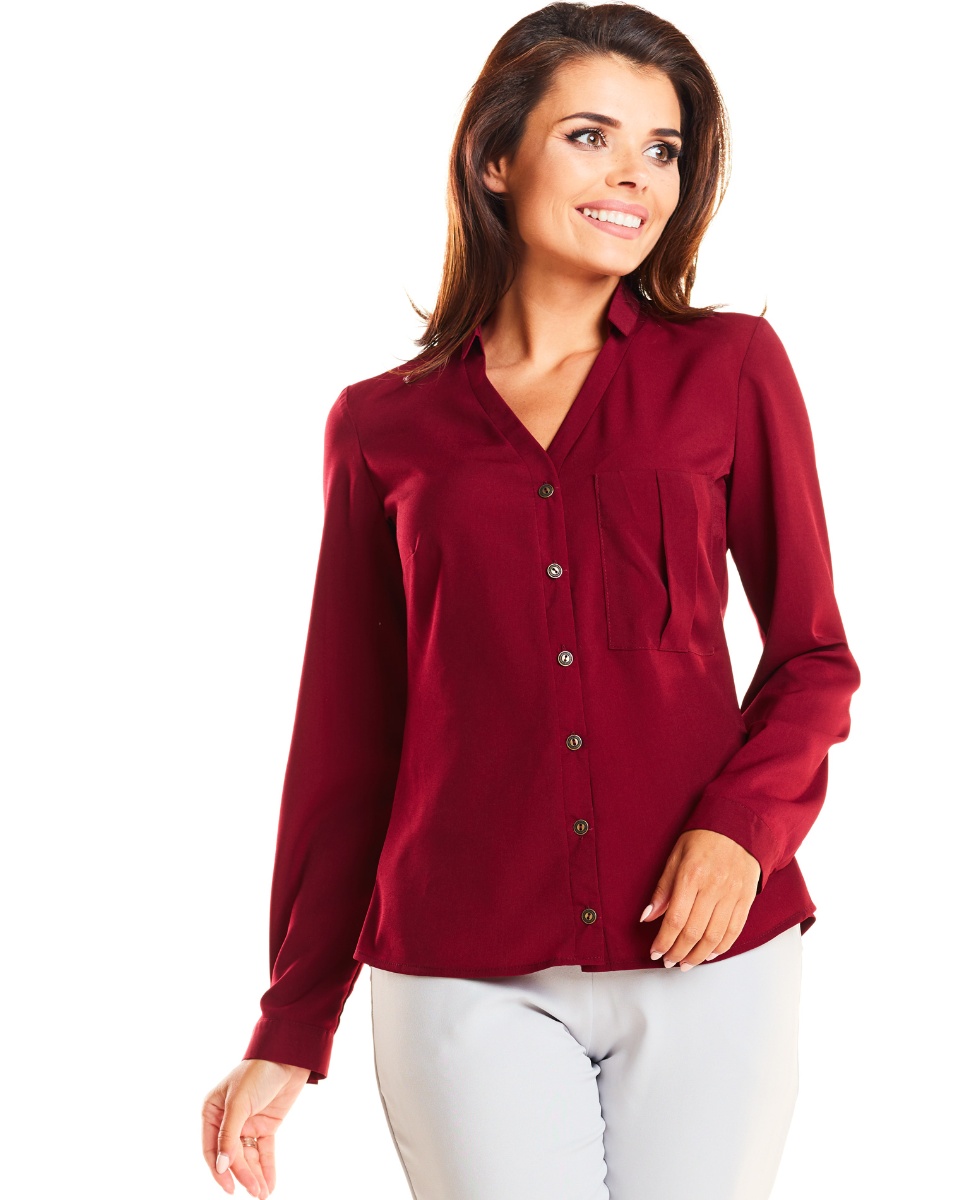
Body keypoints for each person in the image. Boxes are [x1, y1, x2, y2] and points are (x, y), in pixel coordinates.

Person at [200, 4, 860, 1198]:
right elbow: (349, 738)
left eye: (663, 148)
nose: (634, 175)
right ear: (496, 158)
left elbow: (814, 656)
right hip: (459, 971)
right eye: (591, 136)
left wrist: (742, 829)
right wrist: (291, 1022)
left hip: (710, 957)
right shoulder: (383, 425)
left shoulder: (731, 369)